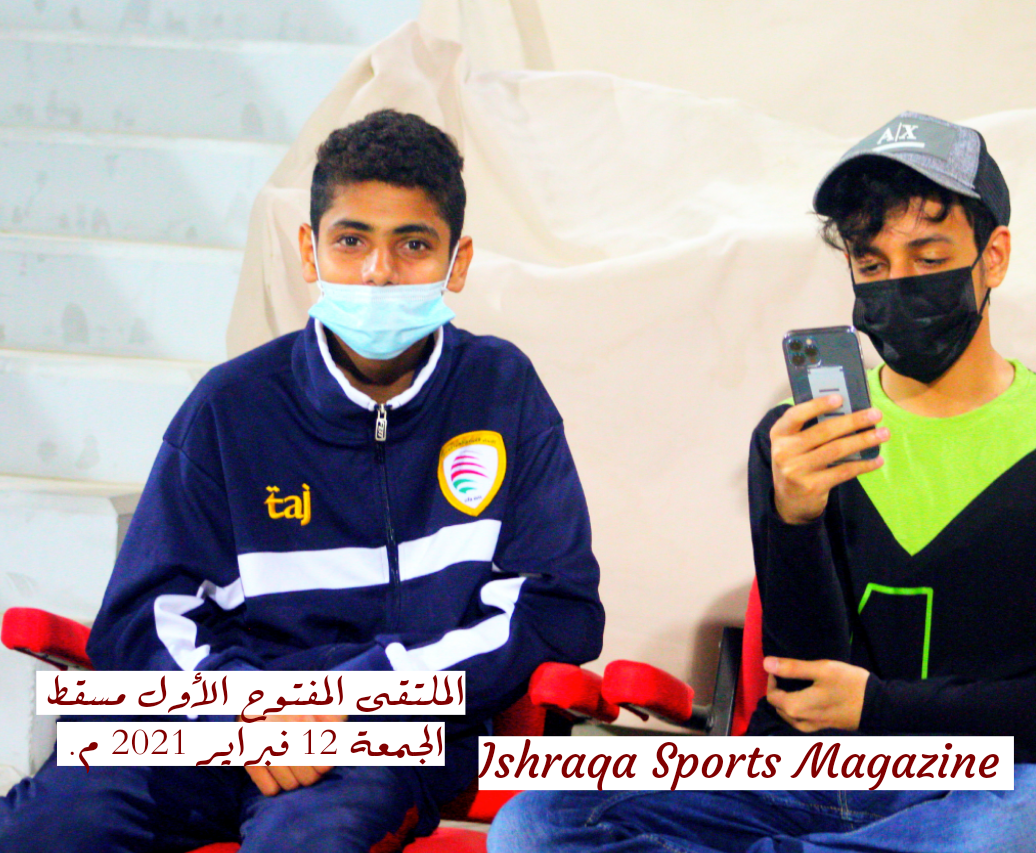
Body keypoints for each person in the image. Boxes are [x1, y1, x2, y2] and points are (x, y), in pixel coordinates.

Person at [489, 111, 1036, 853]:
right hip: (796, 779)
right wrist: (794, 518)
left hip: (976, 786)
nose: (898, 283)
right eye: (872, 265)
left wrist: (881, 706)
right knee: (537, 820)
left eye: (929, 255)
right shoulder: (796, 438)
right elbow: (798, 684)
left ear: (993, 256)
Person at [0, 109, 604, 852]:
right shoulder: (231, 404)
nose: (378, 271)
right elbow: (143, 618)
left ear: (458, 261)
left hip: (384, 736)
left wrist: (353, 698)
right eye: (351, 240)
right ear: (309, 251)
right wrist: (244, 714)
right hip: (212, 720)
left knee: (304, 841)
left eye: (414, 244)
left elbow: (557, 609)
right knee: (40, 829)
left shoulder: (501, 391)